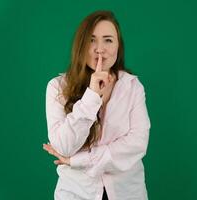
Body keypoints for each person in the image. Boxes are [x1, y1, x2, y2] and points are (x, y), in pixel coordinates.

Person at [43, 10, 151, 200]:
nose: (100, 48)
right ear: (81, 46)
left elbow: (137, 143)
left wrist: (78, 161)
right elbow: (64, 146)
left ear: (118, 46)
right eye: (92, 40)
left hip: (127, 192)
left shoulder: (132, 87)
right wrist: (91, 95)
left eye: (108, 40)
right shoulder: (57, 87)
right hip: (76, 193)